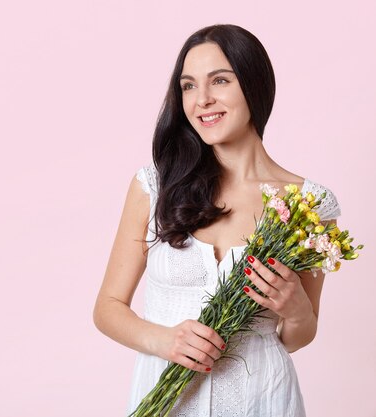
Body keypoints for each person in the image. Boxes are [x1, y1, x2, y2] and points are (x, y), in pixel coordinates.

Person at [92, 24, 341, 417]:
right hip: (167, 401)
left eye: (219, 80)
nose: (202, 100)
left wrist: (296, 311)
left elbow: (295, 338)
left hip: (263, 398)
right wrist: (163, 340)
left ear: (254, 85)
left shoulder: (308, 205)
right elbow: (107, 307)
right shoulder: (155, 186)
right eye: (188, 86)